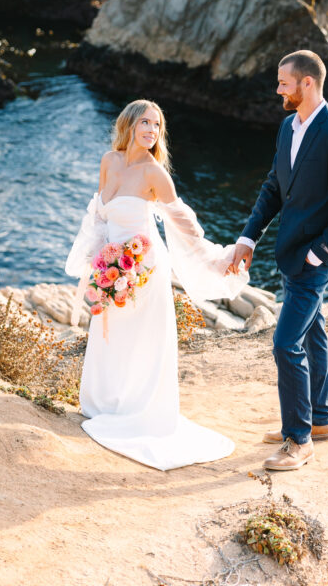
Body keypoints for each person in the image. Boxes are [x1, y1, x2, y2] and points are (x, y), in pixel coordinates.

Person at [66, 99, 249, 471]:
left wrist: (216, 259)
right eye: (145, 123)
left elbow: (184, 224)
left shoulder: (155, 174)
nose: (151, 130)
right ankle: (107, 405)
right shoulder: (110, 162)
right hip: (113, 268)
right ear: (129, 125)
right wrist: (96, 264)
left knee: (142, 341)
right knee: (110, 335)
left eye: (157, 125)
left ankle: (139, 413)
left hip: (145, 271)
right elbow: (99, 217)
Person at [228, 50, 328, 472]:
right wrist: (248, 237)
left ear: (307, 83)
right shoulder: (290, 126)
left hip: (314, 260)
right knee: (313, 333)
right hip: (291, 253)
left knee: (284, 343)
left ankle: (299, 440)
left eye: (283, 82)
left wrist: (318, 253)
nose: (277, 89)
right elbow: (275, 186)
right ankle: (318, 420)